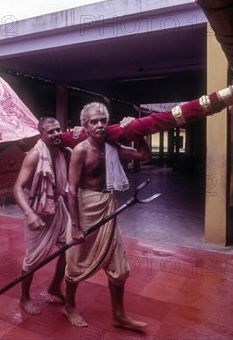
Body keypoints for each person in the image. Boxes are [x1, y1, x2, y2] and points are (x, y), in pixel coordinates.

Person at [64, 102, 151, 331]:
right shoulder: (80, 151)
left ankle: (119, 315)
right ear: (85, 126)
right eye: (94, 121)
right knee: (76, 262)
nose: (100, 125)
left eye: (103, 120)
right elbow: (71, 190)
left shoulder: (112, 146)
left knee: (119, 267)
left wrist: (136, 130)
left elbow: (143, 154)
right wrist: (75, 227)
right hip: (86, 209)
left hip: (108, 207)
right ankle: (69, 306)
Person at [13, 117, 71, 315]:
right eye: (51, 132)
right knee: (32, 260)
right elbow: (17, 189)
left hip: (57, 205)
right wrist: (29, 214)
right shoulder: (35, 155)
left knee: (68, 248)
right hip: (37, 209)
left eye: (58, 130)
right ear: (42, 135)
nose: (56, 134)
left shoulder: (64, 151)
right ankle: (24, 297)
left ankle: (55, 286)